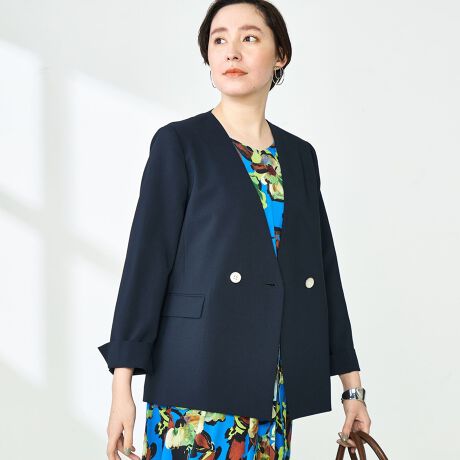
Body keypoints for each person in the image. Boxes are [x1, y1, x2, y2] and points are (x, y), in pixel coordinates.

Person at [98, 1, 371, 458]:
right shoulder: (179, 143)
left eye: (249, 38)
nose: (232, 51)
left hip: (273, 386)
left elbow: (323, 274)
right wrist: (121, 387)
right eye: (219, 39)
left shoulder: (300, 156)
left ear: (280, 55)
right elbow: (146, 265)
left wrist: (352, 388)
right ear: (208, 56)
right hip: (194, 385)